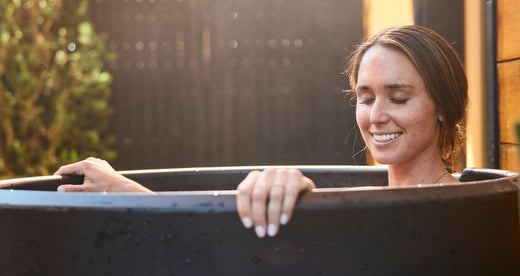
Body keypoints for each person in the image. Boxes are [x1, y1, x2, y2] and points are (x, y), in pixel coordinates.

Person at [54, 25, 467, 239]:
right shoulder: (374, 201)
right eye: (365, 97)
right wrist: (123, 189)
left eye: (398, 98)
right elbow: (232, 243)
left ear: (443, 108)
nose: (376, 116)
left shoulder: (465, 211)